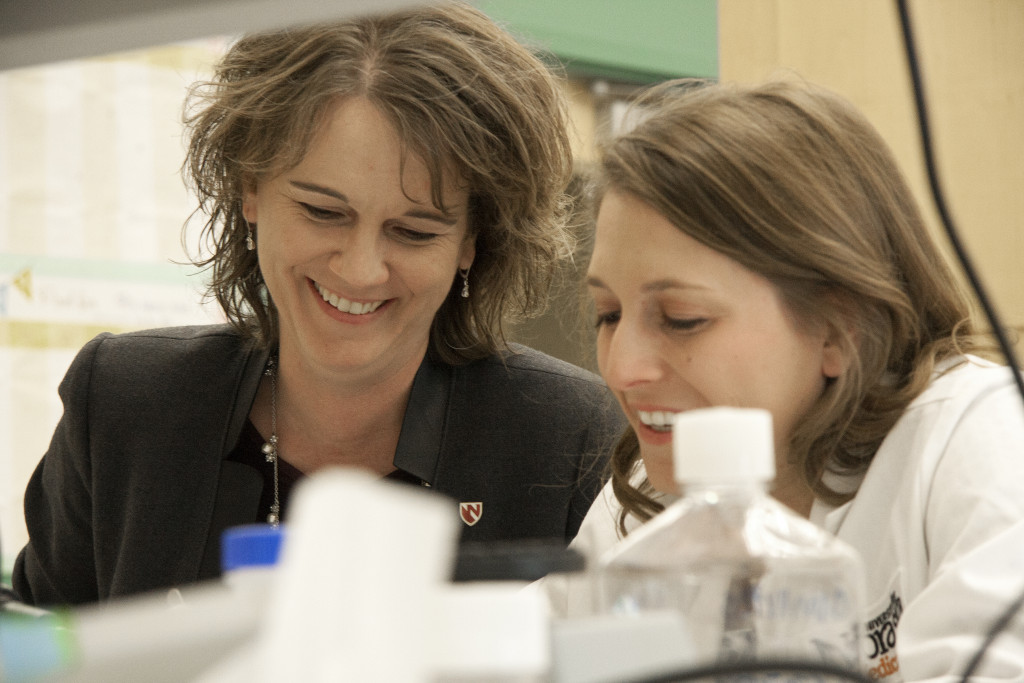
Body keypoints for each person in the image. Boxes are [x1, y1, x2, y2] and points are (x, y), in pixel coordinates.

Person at [12, 2, 624, 607]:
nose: (359, 269)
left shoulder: (569, 438)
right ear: (250, 187)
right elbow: (37, 655)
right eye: (323, 212)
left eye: (414, 231)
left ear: (472, 239)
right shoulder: (124, 402)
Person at [545, 79, 1024, 680]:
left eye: (683, 320)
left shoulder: (974, 432)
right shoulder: (645, 498)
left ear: (837, 328)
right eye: (608, 314)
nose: (621, 369)